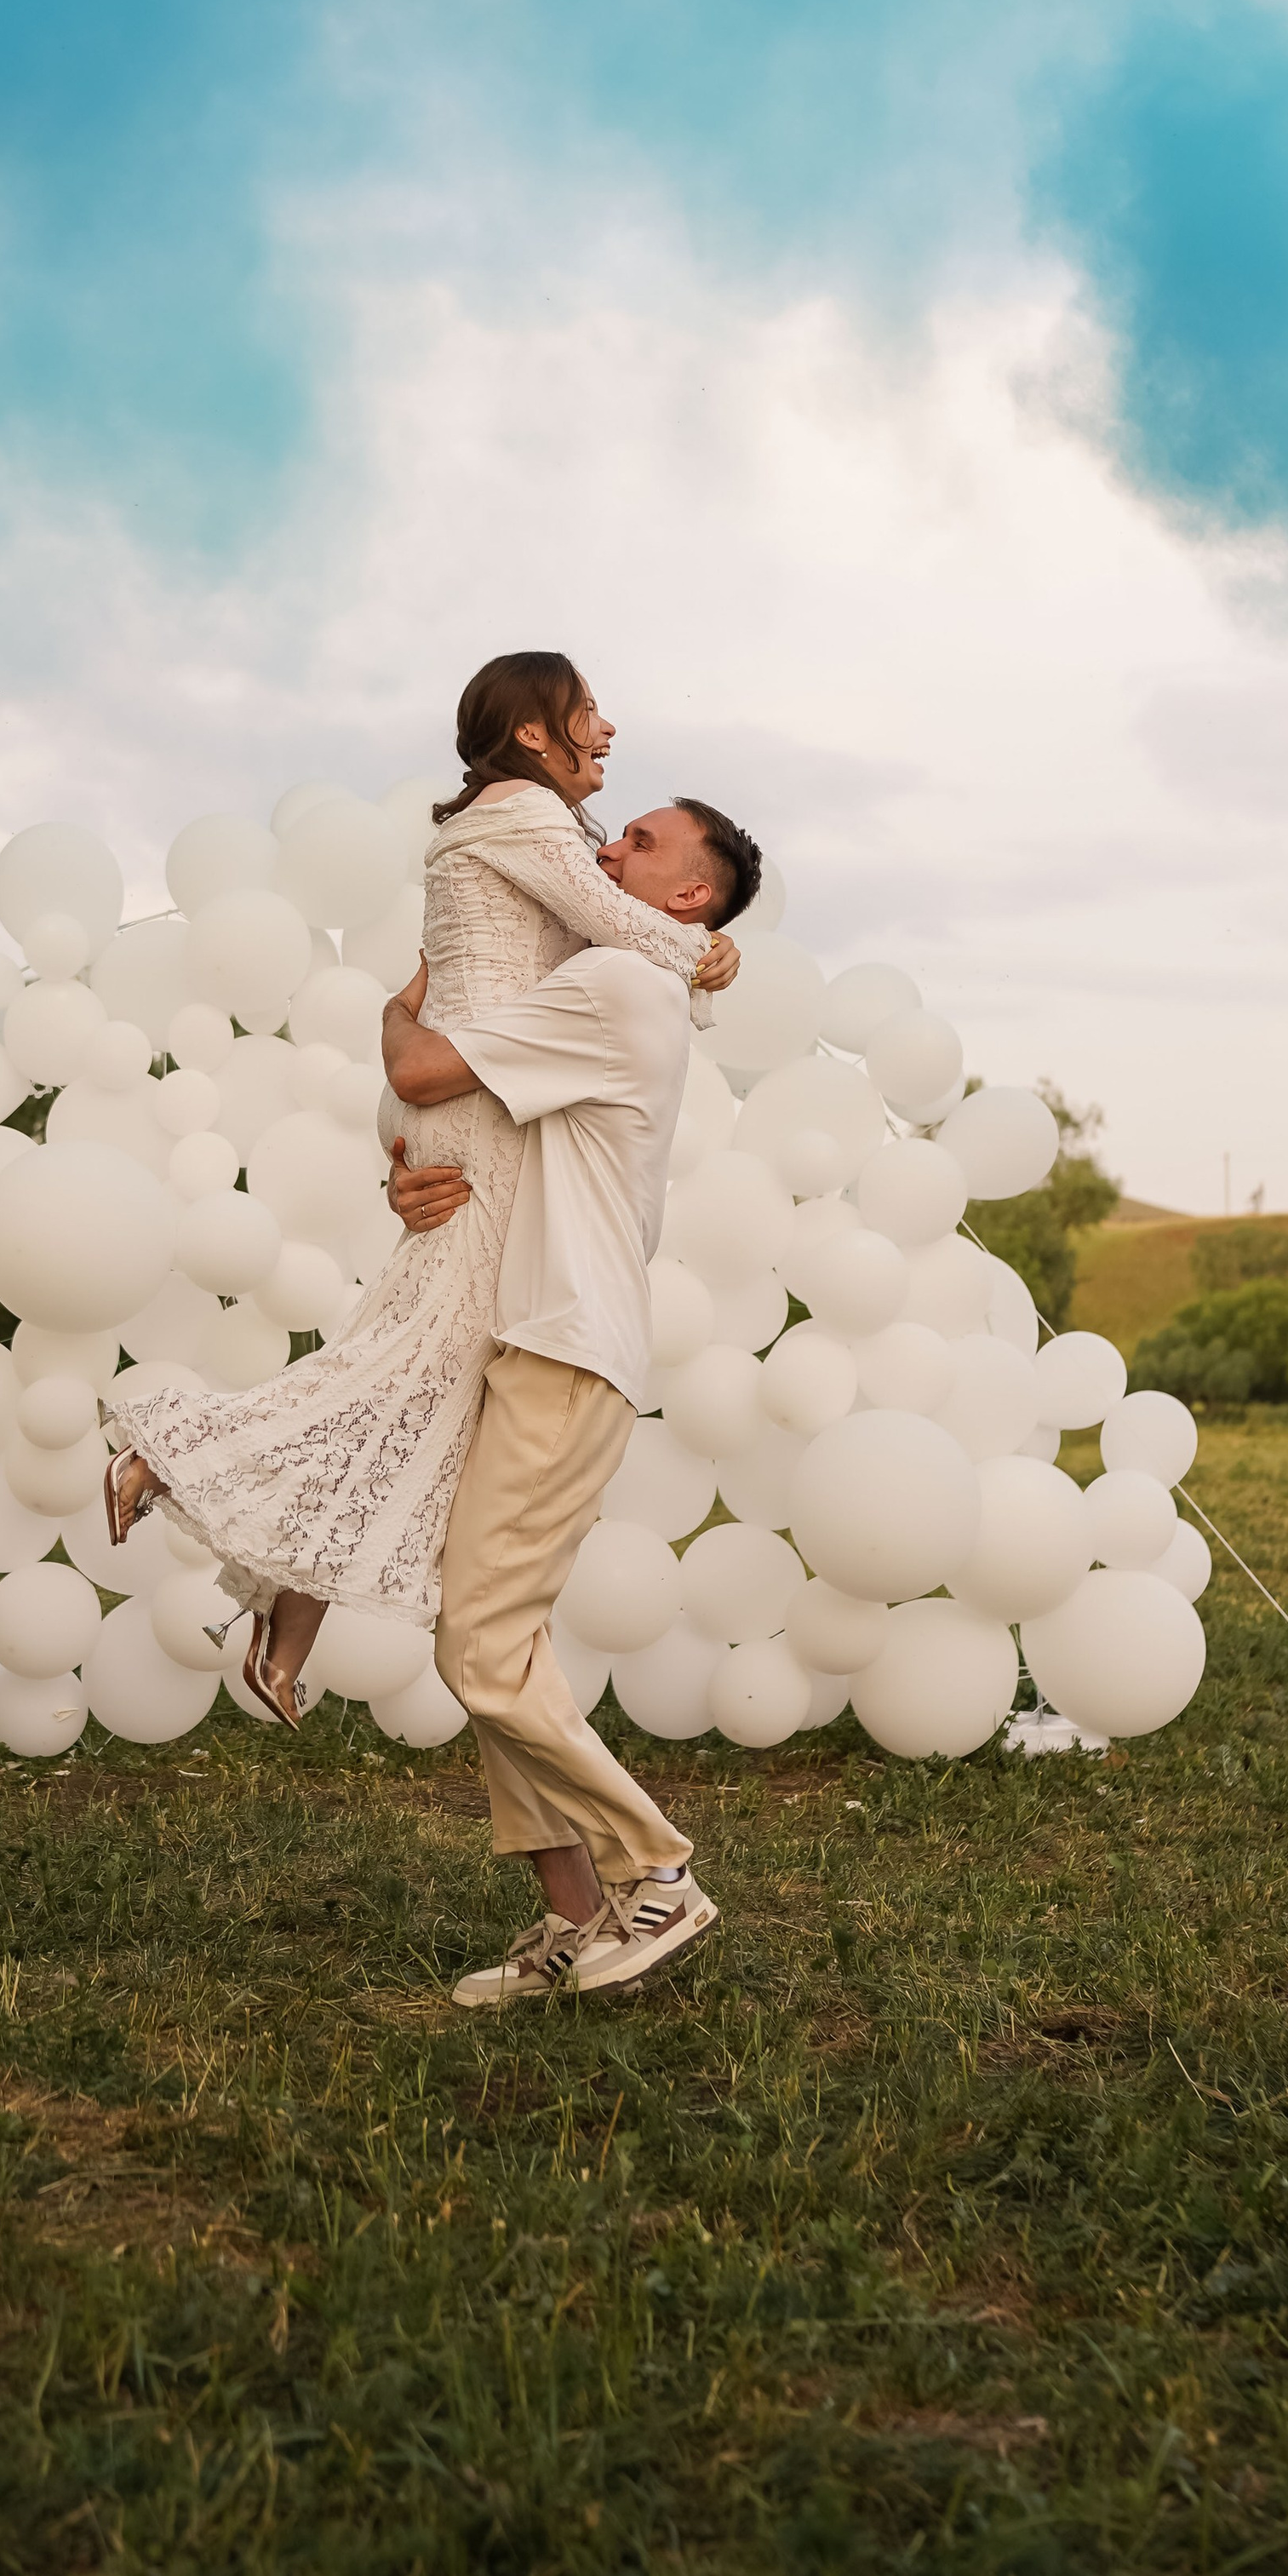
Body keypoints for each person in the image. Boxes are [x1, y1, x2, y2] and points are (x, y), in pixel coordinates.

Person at [98, 652, 744, 1729]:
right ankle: (167, 1454)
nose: (608, 732)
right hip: (479, 1101)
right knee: (417, 1356)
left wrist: (689, 944)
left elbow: (428, 982)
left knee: (427, 1366)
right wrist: (708, 953)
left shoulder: (530, 834)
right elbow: (631, 933)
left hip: (476, 1092)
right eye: (589, 712)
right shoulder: (521, 818)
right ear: (536, 733)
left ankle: (283, 1620)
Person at [380, 785, 763, 2009]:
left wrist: (394, 1011)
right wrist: (412, 1188)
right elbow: (480, 1138)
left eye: (640, 844)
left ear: (688, 896)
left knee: (477, 1646)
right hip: (539, 1334)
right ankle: (573, 1921)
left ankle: (656, 1872)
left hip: (562, 1346)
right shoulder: (623, 981)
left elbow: (431, 1069)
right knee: (507, 1642)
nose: (608, 845)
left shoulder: (619, 988)